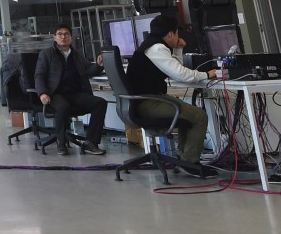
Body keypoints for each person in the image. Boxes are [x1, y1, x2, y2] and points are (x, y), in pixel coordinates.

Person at [125, 14, 221, 178]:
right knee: (199, 116)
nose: (178, 36)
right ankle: (190, 162)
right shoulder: (157, 48)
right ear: (170, 34)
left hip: (141, 101)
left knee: (189, 115)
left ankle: (184, 159)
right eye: (176, 33)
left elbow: (173, 67)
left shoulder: (150, 46)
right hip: (148, 103)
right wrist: (208, 74)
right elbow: (181, 74)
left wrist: (178, 48)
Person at [34, 24, 108, 155]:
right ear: (55, 38)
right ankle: (61, 143)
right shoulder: (46, 54)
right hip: (55, 93)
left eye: (66, 34)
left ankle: (91, 142)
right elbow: (39, 76)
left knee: (100, 103)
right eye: (60, 34)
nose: (63, 37)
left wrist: (98, 65)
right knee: (63, 106)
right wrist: (43, 93)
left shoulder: (76, 54)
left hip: (75, 93)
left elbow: (88, 70)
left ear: (71, 38)